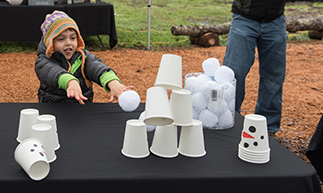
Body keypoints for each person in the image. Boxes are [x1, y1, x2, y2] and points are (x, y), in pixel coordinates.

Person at [35, 11, 133, 105]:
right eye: (61, 39)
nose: (68, 42)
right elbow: (52, 72)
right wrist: (70, 81)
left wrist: (112, 82)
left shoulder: (83, 57)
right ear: (50, 43)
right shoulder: (43, 61)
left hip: (81, 108)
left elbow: (97, 68)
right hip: (53, 108)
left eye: (73, 38)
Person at [223, 0, 290, 138]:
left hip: (275, 20)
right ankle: (229, 121)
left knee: (274, 76)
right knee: (234, 72)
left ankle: (267, 128)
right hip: (244, 19)